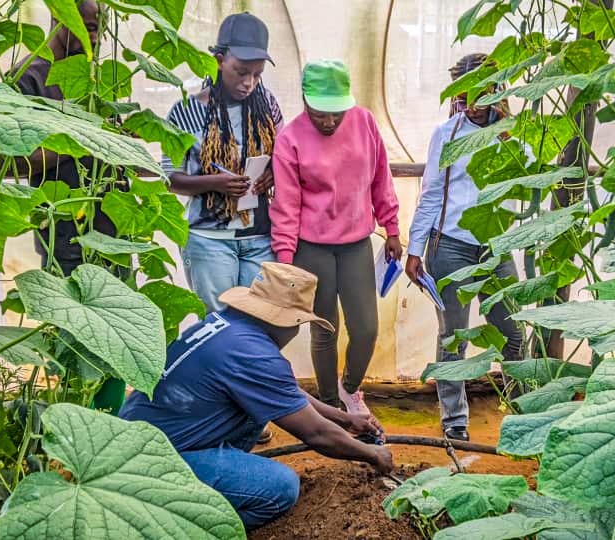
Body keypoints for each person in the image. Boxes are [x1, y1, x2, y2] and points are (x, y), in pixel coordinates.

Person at [118, 262, 395, 530]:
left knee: (255, 414)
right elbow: (317, 435)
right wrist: (373, 454)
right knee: (281, 487)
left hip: (135, 444)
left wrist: (344, 419)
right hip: (151, 466)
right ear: (286, 322)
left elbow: (281, 392)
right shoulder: (255, 355)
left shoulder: (228, 324)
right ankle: (184, 526)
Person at [6, 0, 125, 413]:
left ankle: (113, 421)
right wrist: (76, 138)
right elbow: (12, 159)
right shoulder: (28, 78)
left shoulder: (98, 74)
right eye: (89, 27)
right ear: (60, 17)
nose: (96, 37)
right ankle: (80, 423)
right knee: (77, 334)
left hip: (115, 224)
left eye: (101, 28)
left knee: (120, 332)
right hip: (64, 230)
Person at [405, 54, 526, 442]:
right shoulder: (447, 133)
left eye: (483, 87)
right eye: (465, 89)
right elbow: (431, 192)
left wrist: (510, 135)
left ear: (497, 87)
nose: (474, 98)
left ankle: (521, 413)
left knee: (512, 334)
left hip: (496, 245)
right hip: (451, 246)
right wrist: (414, 247)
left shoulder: (512, 132)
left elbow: (528, 178)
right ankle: (454, 421)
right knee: (453, 336)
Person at [270, 60, 401, 416]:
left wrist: (391, 227)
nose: (329, 121)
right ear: (304, 100)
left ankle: (349, 389)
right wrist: (286, 261)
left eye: (336, 113)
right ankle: (329, 405)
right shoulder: (291, 138)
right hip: (311, 248)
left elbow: (380, 178)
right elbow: (286, 204)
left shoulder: (364, 123)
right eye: (320, 113)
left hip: (356, 243)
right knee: (325, 330)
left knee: (366, 328)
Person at [163, 12, 283, 314]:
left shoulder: (267, 105)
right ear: (218, 59)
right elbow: (170, 177)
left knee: (258, 323)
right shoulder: (186, 112)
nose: (249, 83)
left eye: (257, 75)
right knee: (219, 325)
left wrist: (272, 173)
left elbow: (289, 155)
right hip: (208, 241)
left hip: (260, 236)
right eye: (241, 72)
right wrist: (216, 183)